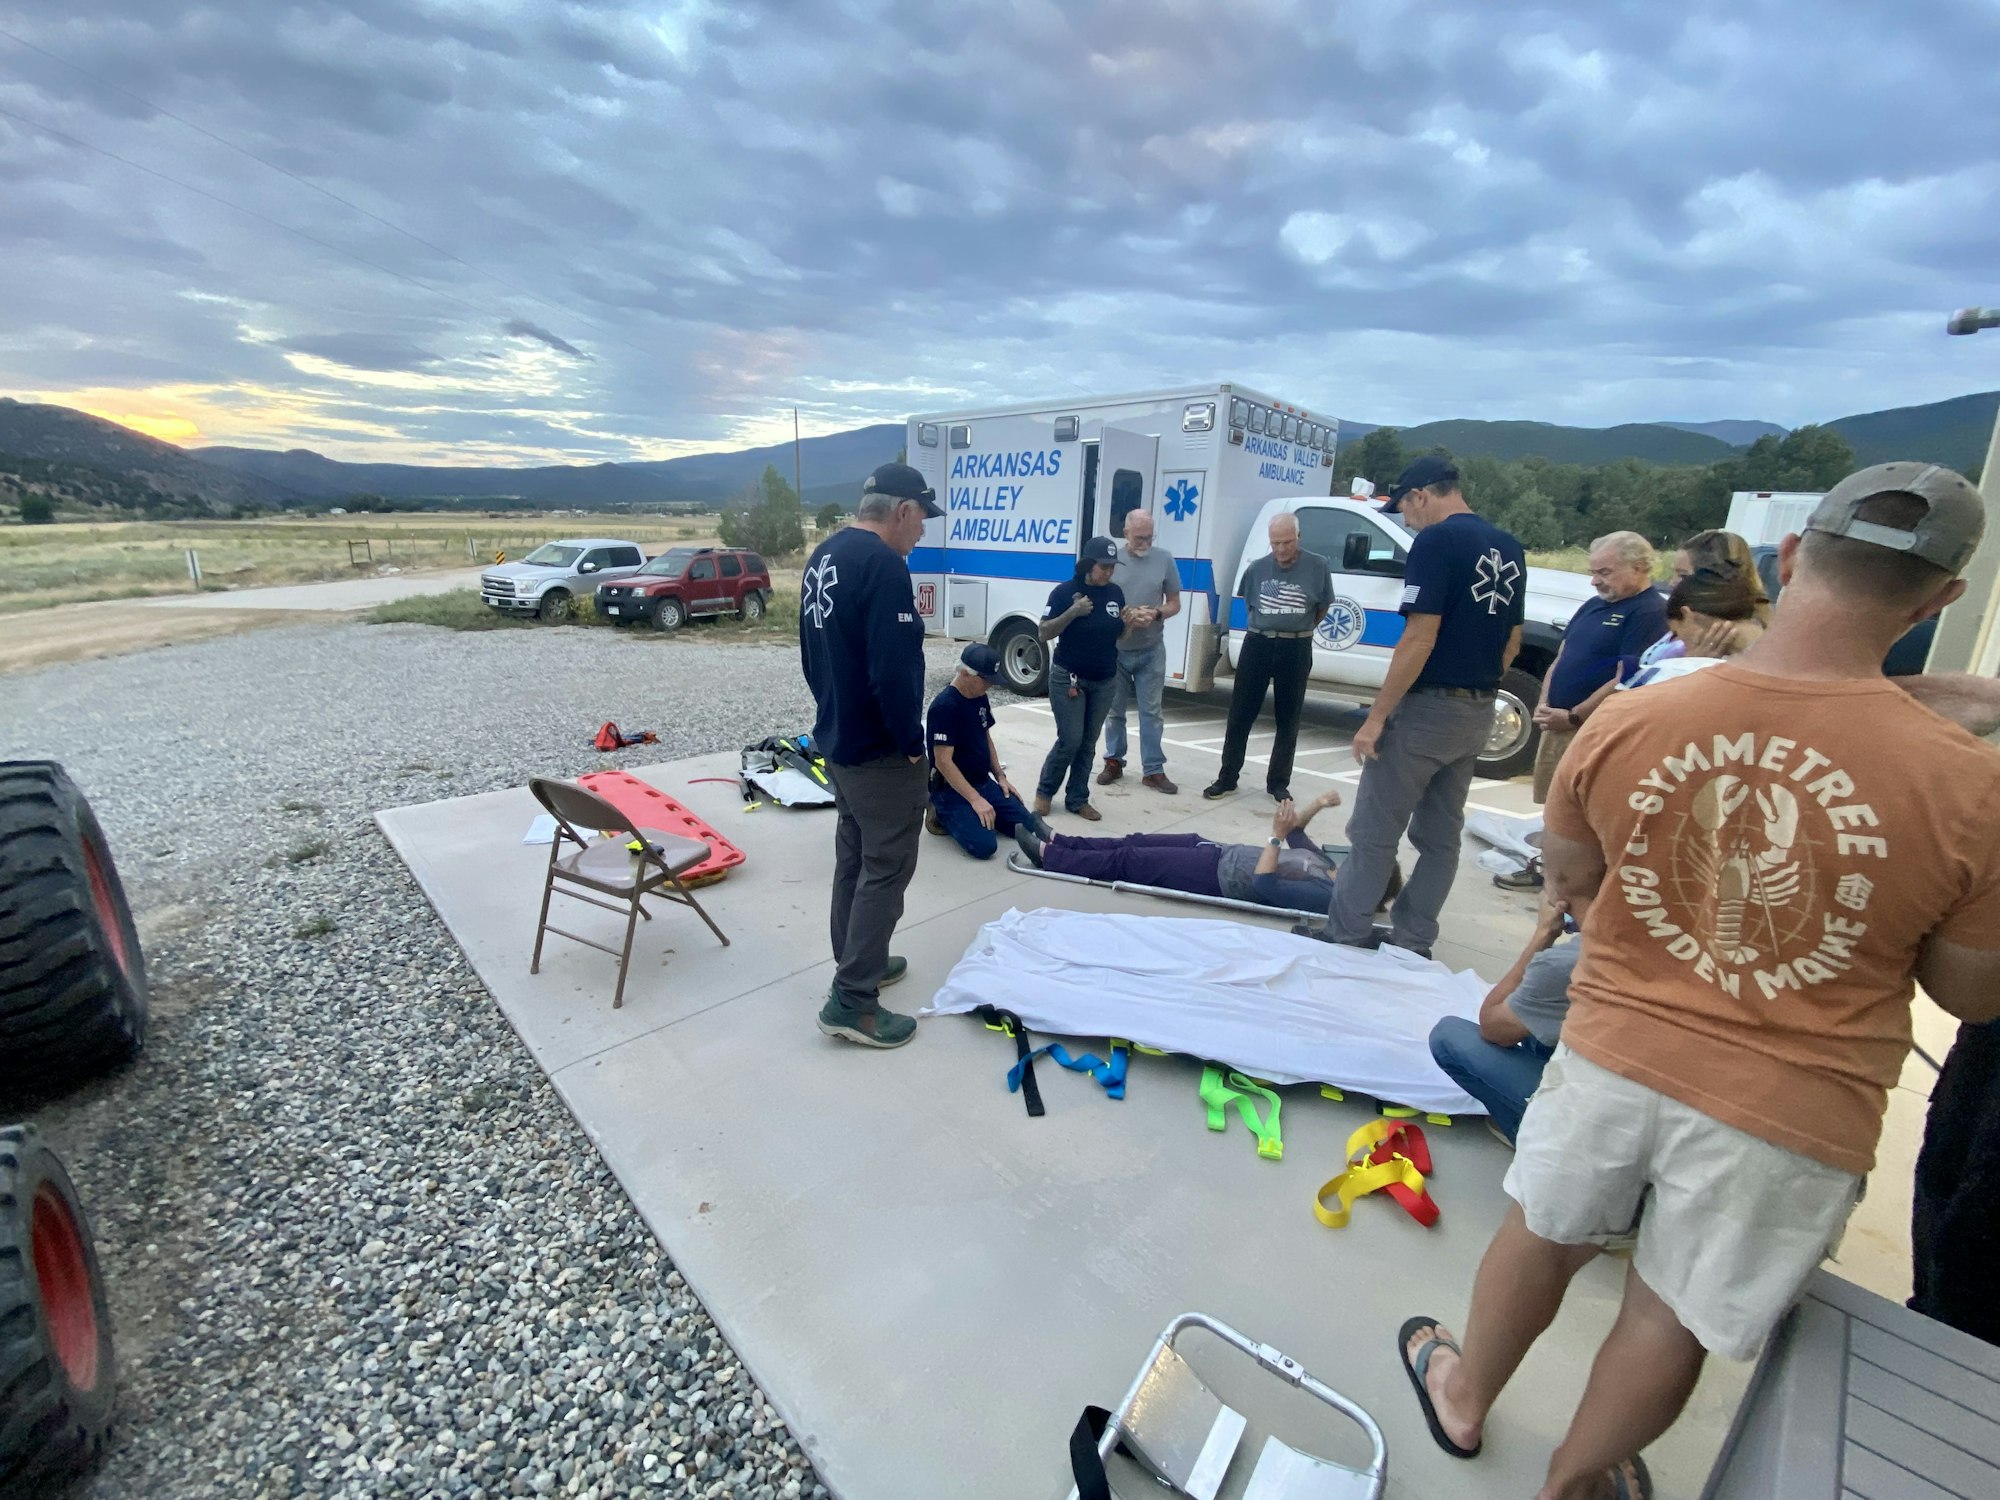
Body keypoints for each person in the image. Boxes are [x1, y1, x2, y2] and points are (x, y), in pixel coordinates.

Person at [1395, 462, 2000, 1500]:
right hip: (1791, 1108)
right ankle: (1574, 1484)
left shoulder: (1630, 719)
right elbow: (1968, 994)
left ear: (1794, 556)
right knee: (1663, 1311)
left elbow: (1574, 881)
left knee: (1538, 1236)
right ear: (1940, 597)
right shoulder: (1968, 782)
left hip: (1612, 1052)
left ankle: (1460, 1396)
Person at [1321, 457, 1526, 959]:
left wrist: (1375, 718)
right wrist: (1475, 685)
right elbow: (1513, 643)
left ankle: (1345, 936)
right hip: (1476, 711)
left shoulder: (1436, 542)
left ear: (1421, 495)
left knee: (1373, 831)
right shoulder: (1510, 547)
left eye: (1404, 509)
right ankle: (1413, 940)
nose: (1405, 521)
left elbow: (1418, 636)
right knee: (1440, 838)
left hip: (1426, 710)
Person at [797, 462, 945, 1050]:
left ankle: (858, 958)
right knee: (887, 868)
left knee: (854, 860)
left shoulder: (824, 557)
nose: (922, 534)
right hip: (882, 753)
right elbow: (894, 672)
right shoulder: (884, 565)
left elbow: (812, 654)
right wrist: (913, 744)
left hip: (839, 738)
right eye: (921, 520)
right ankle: (854, 1001)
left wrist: (835, 716)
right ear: (902, 510)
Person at [1015, 790, 1401, 914]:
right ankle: (1062, 841)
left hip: (1216, 877)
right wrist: (1318, 803)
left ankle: (1051, 858)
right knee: (1133, 842)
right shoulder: (1331, 868)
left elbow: (1266, 884)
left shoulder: (1328, 895)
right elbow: (1298, 834)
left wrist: (1274, 837)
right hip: (1216, 851)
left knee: (1130, 863)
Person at [1204, 512, 1334, 804]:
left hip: (1296, 647)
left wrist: (1297, 629)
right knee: (1240, 714)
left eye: (1287, 543)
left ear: (1298, 538)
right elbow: (1251, 607)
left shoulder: (1318, 566)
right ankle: (1227, 777)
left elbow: (1321, 608)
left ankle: (1278, 783)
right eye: (1275, 543)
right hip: (1258, 644)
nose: (1281, 550)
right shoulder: (1257, 569)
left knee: (1288, 717)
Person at [1528, 533, 1665, 805]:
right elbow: (1562, 656)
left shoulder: (1649, 612)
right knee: (1552, 812)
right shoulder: (1594, 605)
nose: (1595, 581)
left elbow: (1627, 678)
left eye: (1604, 572)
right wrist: (1545, 704)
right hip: (1557, 725)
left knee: (1577, 816)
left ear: (1638, 567)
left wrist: (1574, 717)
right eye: (1593, 572)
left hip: (1591, 732)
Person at [1427, 900, 1577, 1145]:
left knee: (1448, 1036)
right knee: (1533, 1016)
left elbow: (1493, 1025)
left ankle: (1528, 1134)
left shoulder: (1571, 960)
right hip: (1633, 1097)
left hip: (1590, 1117)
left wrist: (1543, 935)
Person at [1034, 537, 1125, 822]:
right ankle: (1045, 792)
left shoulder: (1115, 593)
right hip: (1068, 678)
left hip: (1104, 678)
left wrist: (1130, 624)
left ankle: (1077, 799)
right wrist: (1073, 612)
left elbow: (1118, 636)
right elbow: (1044, 632)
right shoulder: (1065, 592)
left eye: (1112, 567)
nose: (1109, 572)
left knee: (1088, 742)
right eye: (1103, 566)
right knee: (1070, 740)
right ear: (1088, 565)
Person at [926, 644, 1045, 860]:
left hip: (982, 781)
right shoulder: (944, 707)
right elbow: (943, 762)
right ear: (965, 673)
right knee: (984, 846)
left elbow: (985, 737)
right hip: (952, 790)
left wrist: (1000, 776)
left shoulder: (979, 695)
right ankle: (940, 813)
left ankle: (987, 812)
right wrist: (974, 799)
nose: (990, 685)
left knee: (1026, 826)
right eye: (986, 679)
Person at [1098, 509, 1182, 794]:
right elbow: (1100, 601)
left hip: (1151, 648)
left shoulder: (1164, 559)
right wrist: (1121, 619)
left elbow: (1174, 603)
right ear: (1125, 533)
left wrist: (1156, 613)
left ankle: (1153, 770)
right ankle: (1114, 761)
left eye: (1149, 537)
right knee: (1115, 711)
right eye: (1139, 537)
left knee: (1152, 712)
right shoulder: (1113, 563)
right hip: (1117, 649)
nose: (1144, 542)